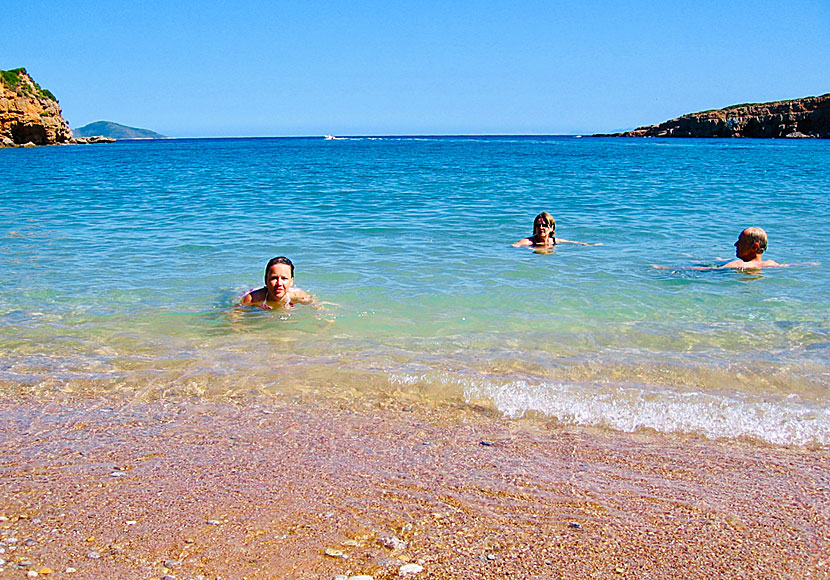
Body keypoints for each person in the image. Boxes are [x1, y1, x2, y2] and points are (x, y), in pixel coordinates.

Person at [652, 227, 785, 270]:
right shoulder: (771, 264)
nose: (735, 245)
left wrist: (667, 268)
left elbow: (709, 270)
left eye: (740, 241)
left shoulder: (738, 264)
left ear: (754, 246)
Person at [240, 256, 314, 309]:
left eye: (284, 278)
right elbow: (235, 314)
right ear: (266, 280)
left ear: (291, 281)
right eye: (274, 278)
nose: (279, 283)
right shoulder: (253, 298)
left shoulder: (299, 296)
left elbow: (318, 307)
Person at [513, 212, 599, 248]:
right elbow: (515, 245)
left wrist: (590, 245)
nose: (541, 228)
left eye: (545, 225)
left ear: (551, 228)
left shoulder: (554, 241)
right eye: (538, 225)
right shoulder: (529, 241)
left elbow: (572, 242)